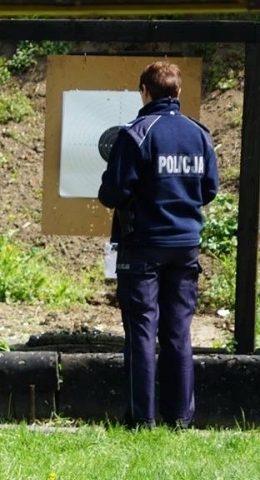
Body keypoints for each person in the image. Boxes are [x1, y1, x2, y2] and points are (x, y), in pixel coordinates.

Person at [98, 61, 219, 430]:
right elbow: (210, 189)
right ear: (178, 93)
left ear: (144, 91)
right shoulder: (199, 134)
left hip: (143, 246)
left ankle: (141, 419)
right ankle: (180, 418)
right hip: (185, 247)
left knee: (142, 332)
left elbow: (112, 193)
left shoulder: (136, 134)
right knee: (178, 333)